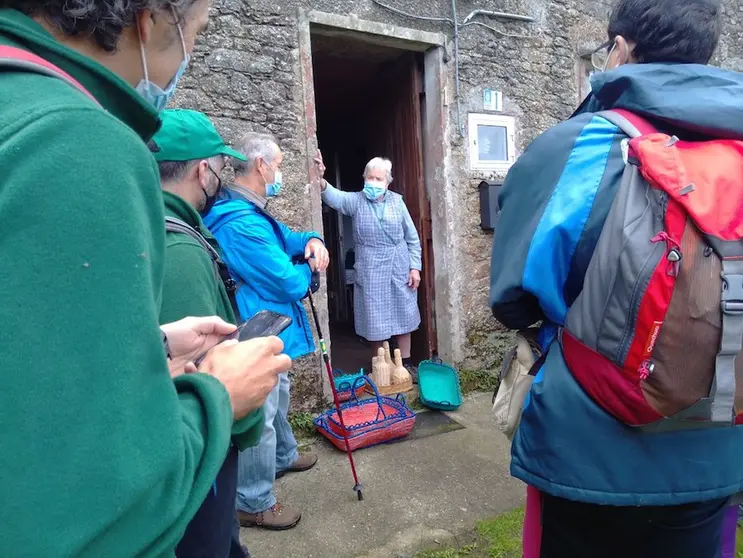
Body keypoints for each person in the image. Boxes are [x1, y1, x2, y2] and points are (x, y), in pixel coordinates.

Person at [0, 2, 290, 555]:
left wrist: (150, 344)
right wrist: (219, 398)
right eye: (199, 29)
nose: (193, 49)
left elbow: (35, 364)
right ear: (153, 17)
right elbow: (92, 502)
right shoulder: (78, 141)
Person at [489, 0, 743, 557]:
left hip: (591, 449)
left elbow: (513, 296)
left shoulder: (582, 146)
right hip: (720, 442)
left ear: (622, 48)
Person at [150, 109, 269, 558]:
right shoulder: (179, 247)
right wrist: (242, 420)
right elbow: (198, 373)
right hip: (199, 451)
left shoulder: (158, 223)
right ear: (203, 169)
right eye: (220, 166)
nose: (223, 177)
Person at [203, 132, 329, 530]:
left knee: (281, 394)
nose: (280, 171)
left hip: (273, 327)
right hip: (258, 327)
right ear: (261, 165)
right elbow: (288, 283)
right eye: (278, 163)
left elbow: (284, 240)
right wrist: (309, 268)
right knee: (263, 407)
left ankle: (283, 456)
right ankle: (254, 501)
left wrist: (310, 240)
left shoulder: (251, 209)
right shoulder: (240, 225)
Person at [317, 154, 422, 377]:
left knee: (404, 313)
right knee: (375, 319)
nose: (373, 183)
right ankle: (380, 366)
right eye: (370, 178)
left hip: (398, 264)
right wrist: (321, 180)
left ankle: (405, 364)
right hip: (371, 267)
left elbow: (412, 238)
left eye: (379, 179)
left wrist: (415, 267)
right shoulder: (356, 201)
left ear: (388, 182)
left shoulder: (397, 201)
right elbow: (334, 197)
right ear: (364, 178)